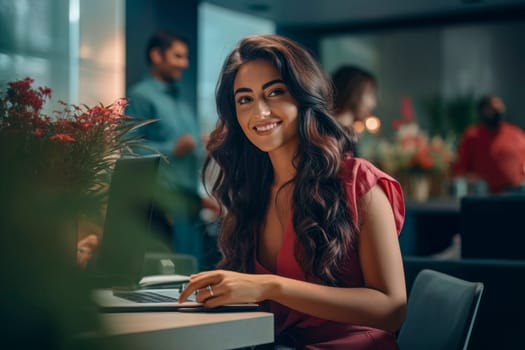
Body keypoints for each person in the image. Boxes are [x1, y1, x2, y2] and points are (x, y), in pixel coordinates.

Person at [179, 34, 407, 349]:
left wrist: (269, 287)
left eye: (274, 93)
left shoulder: (358, 181)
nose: (258, 112)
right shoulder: (252, 190)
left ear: (304, 97)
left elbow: (392, 309)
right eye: (244, 99)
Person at [126, 30, 209, 267]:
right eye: (178, 56)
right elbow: (129, 148)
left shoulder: (181, 101)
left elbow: (191, 149)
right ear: (156, 55)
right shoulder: (140, 96)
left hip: (189, 203)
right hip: (162, 204)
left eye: (185, 57)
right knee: (168, 276)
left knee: (192, 270)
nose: (185, 63)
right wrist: (173, 148)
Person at [453, 95, 525, 194]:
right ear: (482, 112)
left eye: (499, 109)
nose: (497, 112)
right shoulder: (473, 136)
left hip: (516, 192)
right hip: (486, 194)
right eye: (492, 109)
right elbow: (461, 169)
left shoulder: (516, 134)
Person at [331, 65, 378, 135]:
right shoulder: (331, 131)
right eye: (369, 94)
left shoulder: (350, 132)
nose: (373, 104)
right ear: (352, 91)